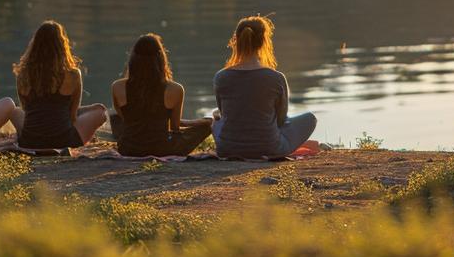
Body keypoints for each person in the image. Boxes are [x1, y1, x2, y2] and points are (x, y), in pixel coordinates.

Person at [212, 15, 317, 159]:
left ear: (236, 40)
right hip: (270, 148)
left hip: (227, 149)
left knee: (214, 117)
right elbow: (281, 120)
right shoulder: (276, 77)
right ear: (264, 42)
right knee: (310, 118)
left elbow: (224, 114)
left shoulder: (221, 77)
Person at [110, 33, 213, 157]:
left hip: (128, 149)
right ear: (161, 59)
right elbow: (175, 128)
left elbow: (124, 118)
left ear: (133, 58)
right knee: (207, 126)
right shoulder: (175, 89)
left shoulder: (117, 86)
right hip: (162, 150)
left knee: (115, 117)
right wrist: (197, 122)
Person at [13, 20, 107, 150]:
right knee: (100, 112)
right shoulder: (73, 75)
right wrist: (89, 110)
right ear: (62, 45)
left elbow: (28, 111)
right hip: (64, 141)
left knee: (16, 111)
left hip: (29, 141)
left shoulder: (23, 75)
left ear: (34, 45)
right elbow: (72, 116)